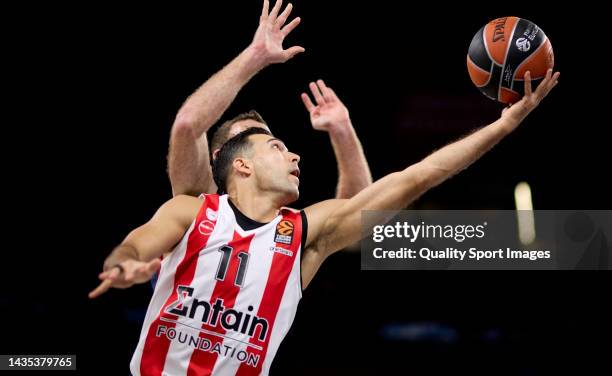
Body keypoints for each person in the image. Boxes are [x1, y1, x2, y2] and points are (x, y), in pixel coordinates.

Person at [89, 64, 560, 375]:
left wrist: (505, 124)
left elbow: (415, 178)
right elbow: (136, 242)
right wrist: (123, 263)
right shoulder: (193, 207)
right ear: (238, 163)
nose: (293, 153)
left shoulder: (302, 234)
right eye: (274, 145)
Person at [167, 0, 371, 199]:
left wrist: (342, 130)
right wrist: (256, 55)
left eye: (272, 142)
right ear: (220, 158)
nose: (262, 143)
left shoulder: (293, 225)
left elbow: (358, 215)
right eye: (247, 137)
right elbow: (188, 125)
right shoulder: (203, 208)